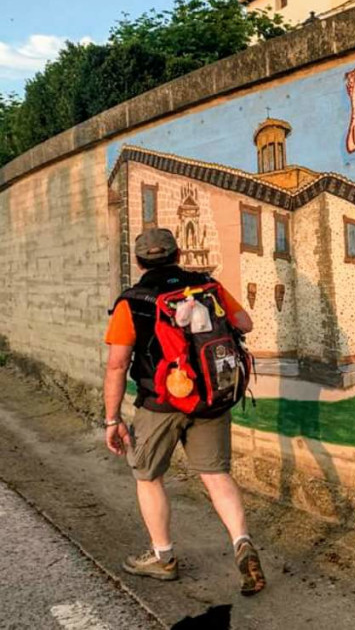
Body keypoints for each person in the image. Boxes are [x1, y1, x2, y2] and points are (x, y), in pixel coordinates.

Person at [103, 227, 266, 594]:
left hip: (160, 402)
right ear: (177, 255)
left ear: (140, 261)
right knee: (216, 476)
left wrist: (112, 419)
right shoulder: (207, 286)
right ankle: (242, 543)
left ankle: (163, 558)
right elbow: (244, 324)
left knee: (148, 476)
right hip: (211, 397)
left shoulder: (132, 301)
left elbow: (116, 365)